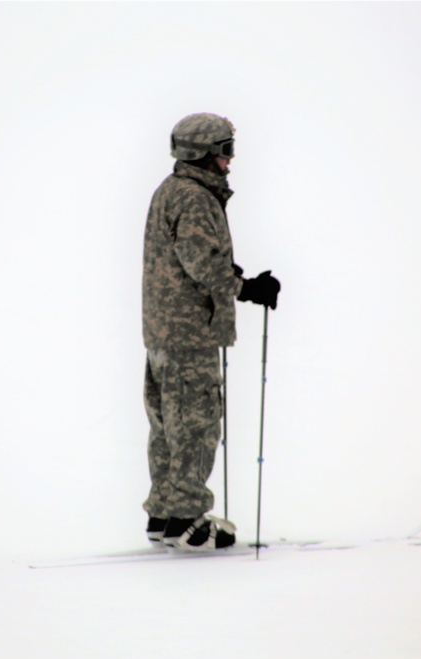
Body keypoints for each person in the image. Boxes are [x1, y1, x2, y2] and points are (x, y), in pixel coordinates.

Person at [141, 112, 281, 551]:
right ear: (202, 153)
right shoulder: (195, 197)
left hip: (166, 330)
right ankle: (186, 521)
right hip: (189, 332)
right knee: (196, 425)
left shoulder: (173, 190)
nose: (230, 159)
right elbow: (200, 262)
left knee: (169, 424)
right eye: (224, 150)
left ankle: (165, 514)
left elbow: (187, 253)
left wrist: (233, 273)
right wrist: (246, 288)